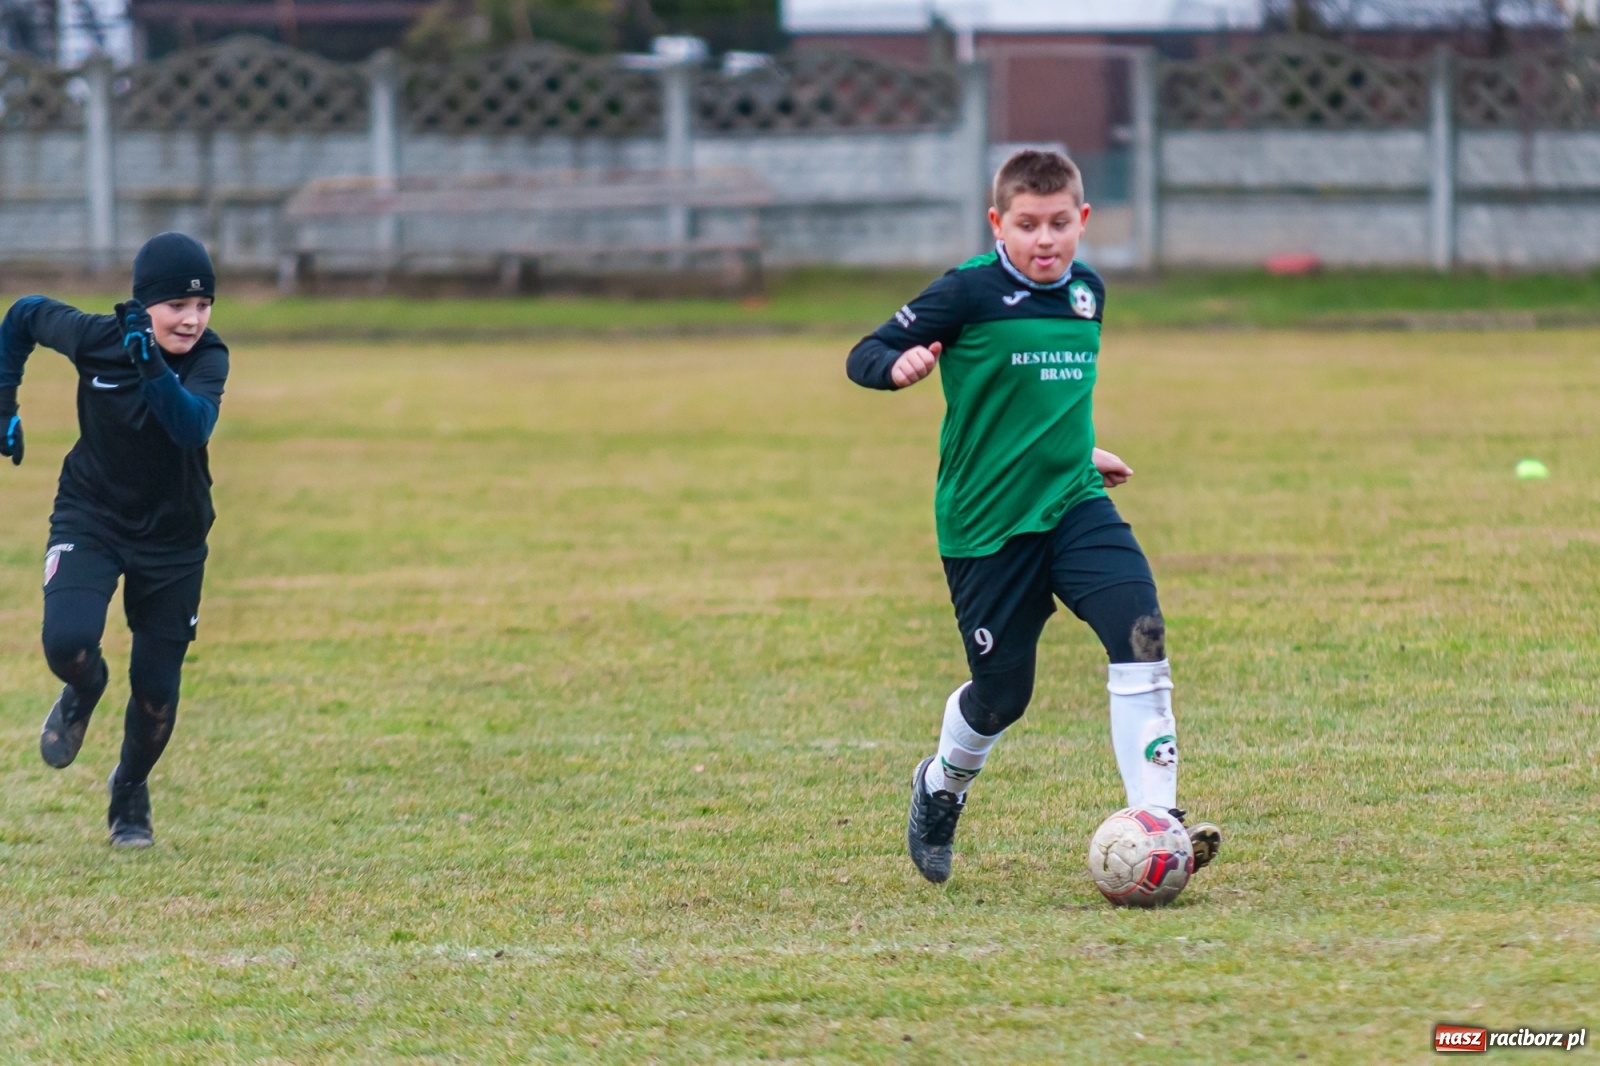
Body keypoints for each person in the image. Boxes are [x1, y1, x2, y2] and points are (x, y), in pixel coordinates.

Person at [845, 150, 1222, 884]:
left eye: (1058, 224)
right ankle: (940, 786)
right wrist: (896, 369)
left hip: (1073, 502)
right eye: (1027, 225)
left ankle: (1158, 821)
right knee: (1001, 696)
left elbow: (1056, 396)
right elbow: (867, 351)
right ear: (998, 224)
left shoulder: (1088, 291)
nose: (1044, 240)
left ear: (1082, 221)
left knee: (1140, 632)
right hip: (987, 526)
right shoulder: (968, 292)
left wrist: (1083, 450)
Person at [1, 231, 229, 848]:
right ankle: (85, 687)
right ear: (145, 303)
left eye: (203, 305)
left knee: (157, 695)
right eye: (177, 306)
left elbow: (190, 427)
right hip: (92, 514)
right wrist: (3, 405)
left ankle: (129, 788)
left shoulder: (208, 357)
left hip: (173, 537)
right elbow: (22, 316)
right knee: (67, 642)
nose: (192, 319)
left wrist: (152, 364)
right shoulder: (97, 338)